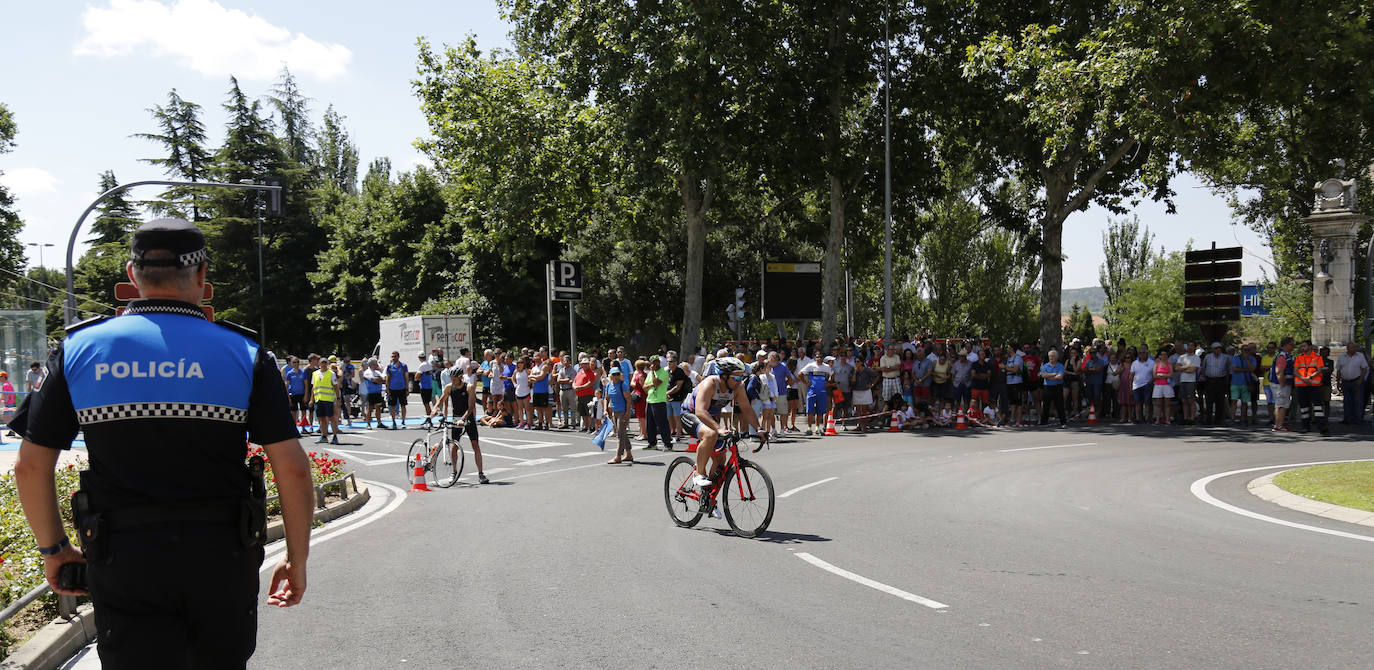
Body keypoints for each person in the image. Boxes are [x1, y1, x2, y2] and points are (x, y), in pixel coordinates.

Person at [8, 218, 312, 668]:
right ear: (203, 276)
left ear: (133, 276)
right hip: (221, 556)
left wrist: (54, 550)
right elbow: (292, 468)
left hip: (123, 557)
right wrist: (296, 559)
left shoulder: (78, 350)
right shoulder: (244, 354)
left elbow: (30, 467)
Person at [681, 357, 766, 492]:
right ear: (724, 376)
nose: (740, 382)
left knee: (720, 460)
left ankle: (708, 497)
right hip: (690, 414)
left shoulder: (738, 388)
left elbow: (747, 409)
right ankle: (698, 473)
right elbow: (700, 411)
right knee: (711, 434)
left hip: (710, 418)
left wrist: (759, 429)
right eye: (737, 378)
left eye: (741, 378)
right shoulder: (710, 384)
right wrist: (719, 428)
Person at [429, 363, 489, 484]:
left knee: (475, 445)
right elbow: (441, 400)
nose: (453, 381)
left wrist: (464, 418)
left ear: (461, 377)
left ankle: (481, 473)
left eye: (455, 379)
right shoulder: (449, 387)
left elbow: (471, 407)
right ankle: (454, 472)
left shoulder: (469, 387)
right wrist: (435, 409)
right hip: (456, 418)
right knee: (453, 446)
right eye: (451, 379)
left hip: (468, 418)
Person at [1294, 340, 1328, 434]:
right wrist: (1303, 378)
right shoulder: (1298, 358)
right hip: (1302, 385)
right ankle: (1305, 427)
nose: (1302, 348)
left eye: (1304, 346)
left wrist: (1310, 377)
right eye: (1302, 346)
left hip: (1314, 385)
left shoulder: (1317, 357)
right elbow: (1295, 371)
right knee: (1304, 407)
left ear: (1310, 347)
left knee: (1317, 406)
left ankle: (1321, 427)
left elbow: (1319, 370)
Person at [643, 356, 673, 450]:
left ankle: (668, 444)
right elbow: (644, 387)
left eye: (656, 362)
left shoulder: (663, 372)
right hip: (650, 400)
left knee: (662, 423)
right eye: (653, 362)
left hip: (659, 401)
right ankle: (652, 443)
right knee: (650, 423)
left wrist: (652, 372)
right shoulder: (649, 374)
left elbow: (656, 383)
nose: (654, 364)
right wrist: (651, 384)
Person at [604, 368, 633, 463]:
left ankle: (618, 456)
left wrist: (627, 413)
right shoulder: (609, 385)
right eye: (614, 374)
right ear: (611, 376)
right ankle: (628, 454)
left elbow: (628, 400)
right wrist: (605, 410)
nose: (616, 376)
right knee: (622, 433)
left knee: (620, 434)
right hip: (614, 411)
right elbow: (606, 398)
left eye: (617, 374)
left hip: (622, 411)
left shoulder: (623, 385)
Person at [1336, 341, 1369, 425]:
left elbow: (1364, 368)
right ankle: (1347, 419)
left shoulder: (1360, 356)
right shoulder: (1341, 357)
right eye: (1351, 347)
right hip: (1345, 381)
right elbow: (1338, 370)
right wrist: (1338, 382)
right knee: (1347, 400)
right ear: (1347, 348)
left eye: (1354, 347)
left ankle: (1357, 419)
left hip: (1356, 381)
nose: (1353, 349)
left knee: (1357, 400)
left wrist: (1361, 380)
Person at [799, 355, 833, 435]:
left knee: (820, 411)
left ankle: (817, 428)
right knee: (810, 411)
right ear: (815, 358)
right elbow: (800, 374)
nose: (819, 359)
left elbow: (832, 374)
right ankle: (809, 428)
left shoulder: (826, 367)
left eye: (821, 357)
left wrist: (828, 382)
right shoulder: (811, 365)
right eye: (817, 357)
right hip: (812, 391)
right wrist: (806, 383)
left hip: (822, 392)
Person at [311, 359, 341, 444]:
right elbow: (313, 387)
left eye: (325, 363)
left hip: (328, 399)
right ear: (319, 363)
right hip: (319, 399)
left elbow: (336, 387)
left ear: (327, 364)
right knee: (321, 418)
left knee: (331, 418)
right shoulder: (315, 374)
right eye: (322, 363)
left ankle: (335, 436)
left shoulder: (331, 374)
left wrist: (338, 398)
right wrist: (311, 399)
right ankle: (324, 436)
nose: (323, 365)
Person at [1269, 337, 1296, 432]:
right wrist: (1282, 383)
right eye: (1292, 344)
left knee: (1283, 404)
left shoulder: (1286, 355)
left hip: (1283, 384)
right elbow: (1279, 371)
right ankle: (1278, 425)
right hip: (1280, 384)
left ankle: (1279, 424)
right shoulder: (1282, 356)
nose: (1293, 347)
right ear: (1287, 345)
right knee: (1280, 404)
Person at [1201, 342, 1230, 425]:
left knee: (1220, 400)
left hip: (1221, 380)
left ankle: (1219, 419)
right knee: (1209, 400)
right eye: (1216, 348)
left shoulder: (1225, 357)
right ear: (1212, 349)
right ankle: (1208, 419)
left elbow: (1228, 369)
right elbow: (1204, 368)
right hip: (1210, 380)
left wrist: (1226, 381)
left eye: (1219, 348)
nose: (1218, 350)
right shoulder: (1207, 357)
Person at [1038, 349, 1067, 426]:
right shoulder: (1045, 366)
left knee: (1059, 405)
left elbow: (1060, 377)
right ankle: (1043, 421)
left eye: (1053, 356)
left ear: (1057, 357)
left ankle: (1063, 421)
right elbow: (1043, 375)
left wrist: (1049, 375)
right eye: (1050, 356)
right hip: (1047, 387)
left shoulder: (1060, 365)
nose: (1051, 357)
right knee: (1045, 405)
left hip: (1058, 387)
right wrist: (1054, 374)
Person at [1230, 344, 1256, 425]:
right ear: (1241, 350)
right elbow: (1234, 368)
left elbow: (1252, 368)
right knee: (1234, 401)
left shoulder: (1252, 359)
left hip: (1246, 383)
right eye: (1245, 350)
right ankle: (1232, 418)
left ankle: (1243, 418)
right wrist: (1246, 370)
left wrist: (1247, 360)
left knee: (1244, 402)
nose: (1246, 352)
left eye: (1248, 350)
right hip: (1235, 383)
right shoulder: (1236, 358)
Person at [282, 356, 309, 433]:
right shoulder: (289, 373)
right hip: (293, 394)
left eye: (297, 362)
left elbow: (306, 384)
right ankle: (294, 428)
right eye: (294, 362)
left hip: (302, 394)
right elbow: (286, 385)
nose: (296, 364)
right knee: (294, 411)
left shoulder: (303, 372)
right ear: (291, 363)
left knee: (303, 410)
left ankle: (303, 427)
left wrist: (306, 395)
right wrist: (288, 397)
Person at [384, 351, 408, 429]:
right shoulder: (390, 366)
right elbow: (387, 378)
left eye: (395, 356)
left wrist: (407, 389)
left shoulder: (403, 366)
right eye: (392, 357)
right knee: (393, 406)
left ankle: (403, 421)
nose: (393, 358)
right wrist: (387, 389)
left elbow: (406, 378)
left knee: (403, 405)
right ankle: (393, 421)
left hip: (402, 388)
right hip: (392, 389)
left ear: (398, 357)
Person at [1152, 347, 1174, 425]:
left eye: (1165, 354)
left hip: (1167, 385)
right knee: (1159, 404)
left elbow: (1171, 375)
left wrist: (1162, 375)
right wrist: (1165, 375)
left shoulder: (1169, 364)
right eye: (1162, 354)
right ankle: (1158, 419)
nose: (1164, 356)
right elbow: (1154, 375)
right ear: (1160, 356)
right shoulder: (1156, 364)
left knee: (1167, 403)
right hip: (1158, 385)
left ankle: (1167, 419)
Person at [360, 358, 386, 429]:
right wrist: (379, 380)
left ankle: (379, 423)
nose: (377, 365)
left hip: (378, 392)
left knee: (378, 408)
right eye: (375, 364)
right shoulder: (367, 372)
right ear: (372, 365)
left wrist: (379, 380)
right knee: (369, 409)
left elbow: (383, 379)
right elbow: (374, 380)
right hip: (370, 393)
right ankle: (368, 424)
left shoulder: (377, 372)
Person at [415, 353, 435, 420]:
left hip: (424, 386)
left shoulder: (422, 365)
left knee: (426, 403)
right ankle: (429, 416)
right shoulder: (429, 364)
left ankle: (429, 417)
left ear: (419, 357)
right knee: (428, 403)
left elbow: (417, 376)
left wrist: (418, 377)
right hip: (430, 385)